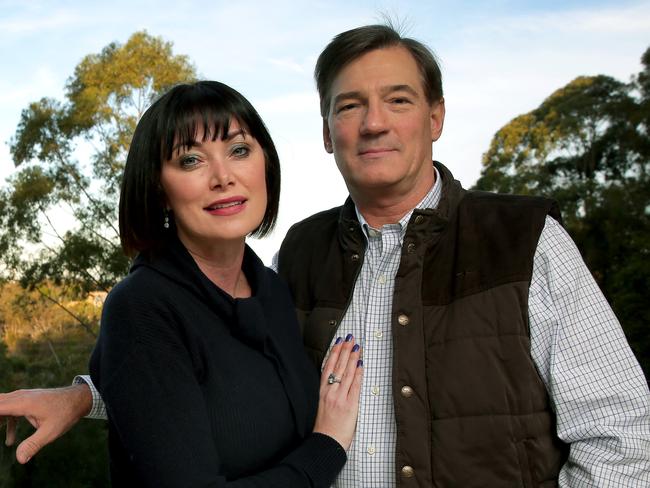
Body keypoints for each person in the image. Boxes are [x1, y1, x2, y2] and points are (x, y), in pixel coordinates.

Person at [2, 24, 649, 487]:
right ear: (325, 132)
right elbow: (222, 374)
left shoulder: (525, 240)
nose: (374, 122)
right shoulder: (302, 254)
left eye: (397, 99)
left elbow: (624, 439)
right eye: (350, 105)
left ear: (436, 116)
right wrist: (90, 394)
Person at [0, 80, 364, 487]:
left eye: (239, 150)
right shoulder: (142, 307)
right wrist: (327, 444)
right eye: (191, 160)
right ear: (159, 189)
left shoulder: (273, 292)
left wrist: (83, 397)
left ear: (266, 162)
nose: (223, 176)